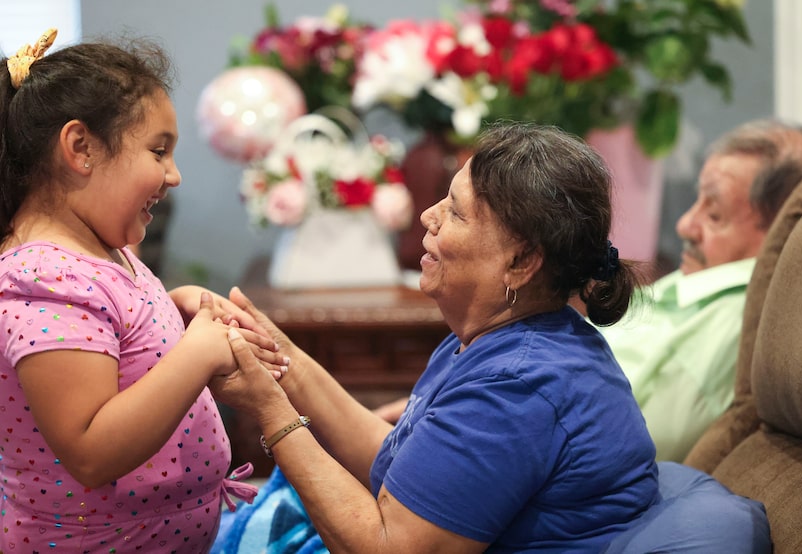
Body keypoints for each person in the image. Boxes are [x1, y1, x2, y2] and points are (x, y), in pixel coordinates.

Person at [209, 122, 661, 552]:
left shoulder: (516, 390)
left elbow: (386, 547)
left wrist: (272, 412)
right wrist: (280, 358)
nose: (428, 216)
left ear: (521, 261)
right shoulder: (497, 334)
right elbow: (399, 470)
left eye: (456, 213)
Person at [0, 30, 287, 551]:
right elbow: (90, 449)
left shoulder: (101, 252)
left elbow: (114, 340)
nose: (174, 175)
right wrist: (197, 353)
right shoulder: (43, 279)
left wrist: (172, 309)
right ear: (80, 148)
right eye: (159, 151)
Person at [597, 119, 802, 462]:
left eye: (715, 214)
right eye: (698, 201)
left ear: (782, 230)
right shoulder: (702, 281)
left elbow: (625, 443)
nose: (685, 224)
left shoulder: (739, 318)